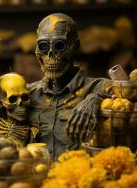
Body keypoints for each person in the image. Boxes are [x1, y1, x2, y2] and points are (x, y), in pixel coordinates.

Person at [27, 13, 109, 160]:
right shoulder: (28, 94)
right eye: (43, 46)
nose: (51, 55)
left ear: (75, 47)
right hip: (38, 178)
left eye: (60, 45)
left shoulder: (98, 88)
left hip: (77, 177)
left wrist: (96, 98)